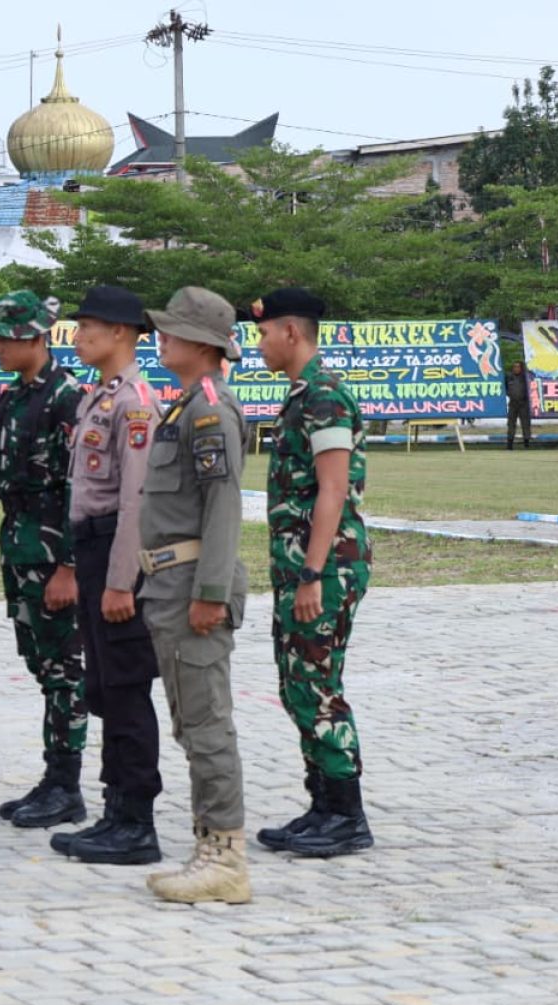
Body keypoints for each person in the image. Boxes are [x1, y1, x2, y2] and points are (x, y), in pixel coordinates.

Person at [0, 290, 88, 829]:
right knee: (42, 667)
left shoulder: (68, 398)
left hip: (55, 561)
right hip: (19, 553)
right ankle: (53, 779)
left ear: (36, 337)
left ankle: (67, 785)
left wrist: (70, 568)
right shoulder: (12, 399)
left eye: (6, 338)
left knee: (65, 673)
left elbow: (83, 488)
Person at [136, 286, 250, 905]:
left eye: (174, 331)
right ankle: (208, 846)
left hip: (191, 588)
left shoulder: (209, 410)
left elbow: (223, 506)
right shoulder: (186, 406)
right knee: (191, 723)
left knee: (207, 725)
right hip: (169, 585)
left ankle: (226, 859)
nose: (163, 338)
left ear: (203, 344)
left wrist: (210, 591)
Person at [254, 286, 373, 859]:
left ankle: (346, 815)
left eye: (263, 333)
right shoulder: (303, 395)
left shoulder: (324, 396)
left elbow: (333, 490)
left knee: (318, 687)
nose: (259, 344)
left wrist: (312, 574)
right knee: (299, 684)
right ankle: (322, 806)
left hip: (324, 568)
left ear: (290, 332)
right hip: (304, 565)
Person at [49, 286, 163, 865]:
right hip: (92, 549)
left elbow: (137, 501)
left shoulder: (135, 403)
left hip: (118, 553)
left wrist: (122, 581)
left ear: (120, 332)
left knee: (124, 686)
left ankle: (137, 821)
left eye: (87, 327)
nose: (77, 337)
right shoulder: (99, 395)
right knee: (103, 686)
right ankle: (115, 810)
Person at [505, 360, 531, 449]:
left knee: (525, 423)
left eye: (518, 367)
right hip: (513, 403)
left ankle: (527, 442)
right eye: (514, 367)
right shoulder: (509, 377)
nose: (516, 369)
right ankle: (510, 443)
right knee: (511, 424)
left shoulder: (525, 377)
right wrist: (509, 394)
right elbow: (505, 388)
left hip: (523, 403)